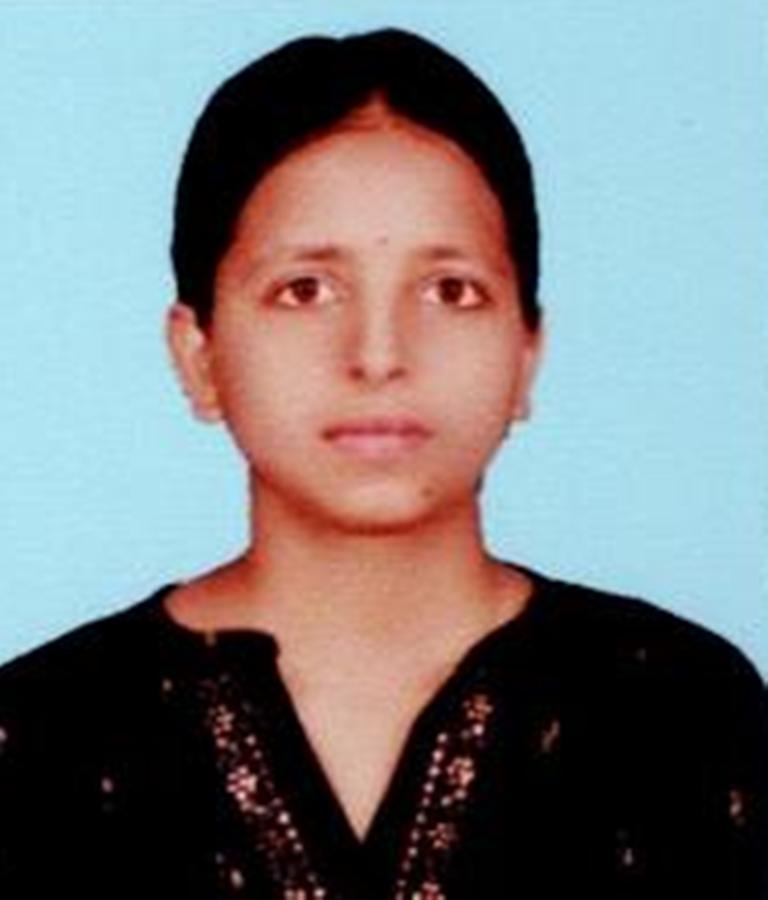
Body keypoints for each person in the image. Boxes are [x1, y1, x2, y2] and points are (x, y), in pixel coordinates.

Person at [0, 27, 765, 900]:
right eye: (305, 290)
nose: (379, 355)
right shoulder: (41, 736)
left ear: (527, 353)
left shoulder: (679, 710)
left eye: (450, 291)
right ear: (198, 354)